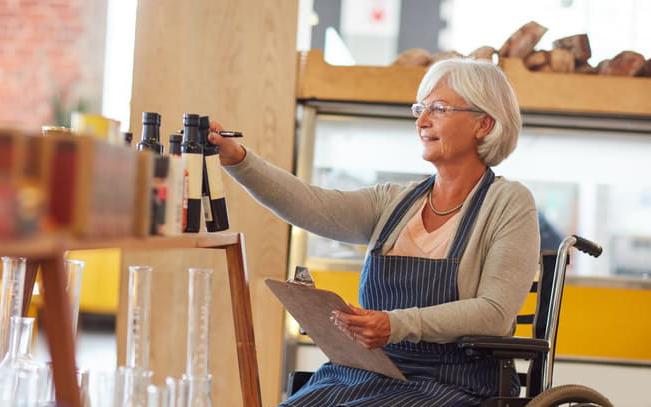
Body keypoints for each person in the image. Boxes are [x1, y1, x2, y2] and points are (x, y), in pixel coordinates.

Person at [208, 57, 540, 406]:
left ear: (483, 124)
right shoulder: (395, 202)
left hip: (452, 385)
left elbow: (493, 313)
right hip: (364, 373)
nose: (422, 121)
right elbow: (311, 205)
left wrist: (394, 324)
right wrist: (238, 159)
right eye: (420, 109)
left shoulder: (510, 203)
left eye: (438, 109)